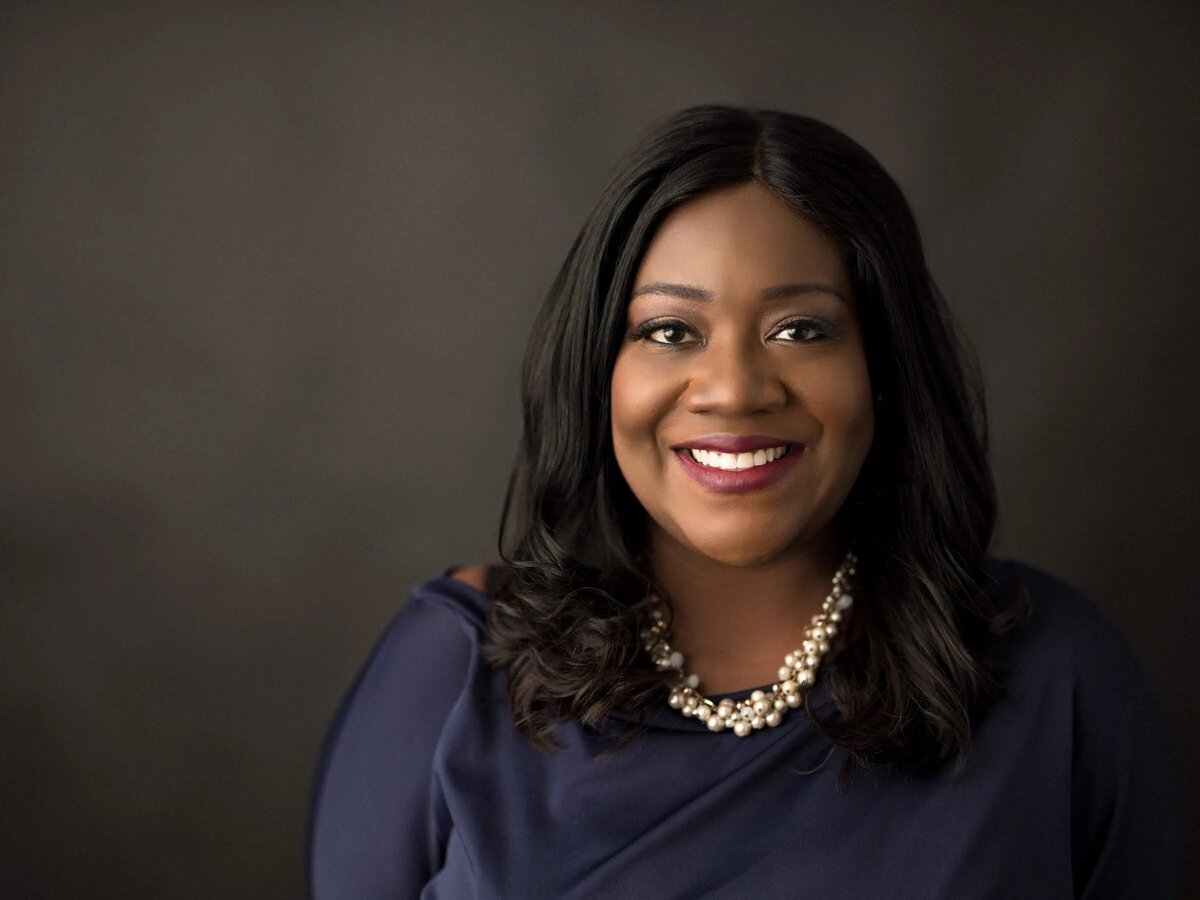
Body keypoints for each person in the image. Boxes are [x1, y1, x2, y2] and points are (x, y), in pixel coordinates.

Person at [306, 105, 1182, 898]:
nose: (732, 390)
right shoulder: (453, 672)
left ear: (884, 369)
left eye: (800, 330)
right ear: (596, 374)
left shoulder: (1056, 676)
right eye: (669, 332)